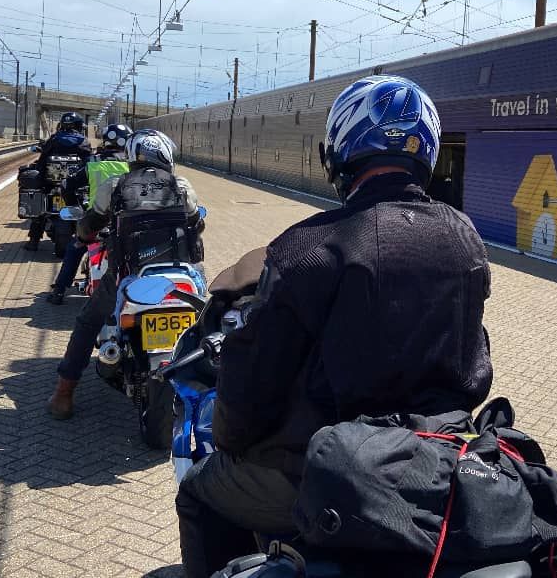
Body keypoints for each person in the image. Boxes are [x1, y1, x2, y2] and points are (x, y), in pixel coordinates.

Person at [175, 75, 494, 578]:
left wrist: (231, 441)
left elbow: (254, 383)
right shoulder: (465, 238)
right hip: (438, 463)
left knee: (199, 490)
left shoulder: (309, 247)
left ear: (340, 152)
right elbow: (475, 354)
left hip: (326, 474)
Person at [47, 128, 204, 419]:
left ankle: (63, 394)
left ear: (133, 155)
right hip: (180, 275)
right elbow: (197, 223)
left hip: (129, 275)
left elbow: (88, 226)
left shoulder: (115, 186)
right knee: (206, 314)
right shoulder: (182, 185)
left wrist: (83, 234)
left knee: (88, 321)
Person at [47, 123, 133, 304]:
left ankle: (59, 291)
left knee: (75, 247)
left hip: (96, 221)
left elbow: (66, 186)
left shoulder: (93, 162)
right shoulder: (133, 165)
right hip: (126, 221)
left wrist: (76, 208)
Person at [24, 111, 93, 252]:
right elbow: (88, 162)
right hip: (73, 184)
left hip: (51, 183)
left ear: (62, 125)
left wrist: (38, 170)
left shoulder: (54, 139)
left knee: (40, 210)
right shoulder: (83, 141)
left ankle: (33, 241)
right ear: (80, 126)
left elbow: (43, 159)